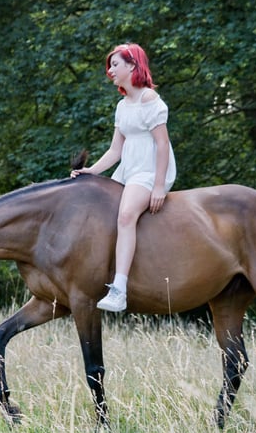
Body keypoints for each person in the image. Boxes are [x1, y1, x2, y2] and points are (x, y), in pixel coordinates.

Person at [71, 42, 177, 312]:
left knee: (126, 215)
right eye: (110, 66)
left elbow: (162, 145)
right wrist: (91, 172)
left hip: (149, 170)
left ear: (132, 65)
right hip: (128, 169)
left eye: (115, 64)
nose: (110, 70)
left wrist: (158, 187)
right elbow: (115, 150)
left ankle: (119, 290)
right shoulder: (122, 105)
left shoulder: (149, 99)